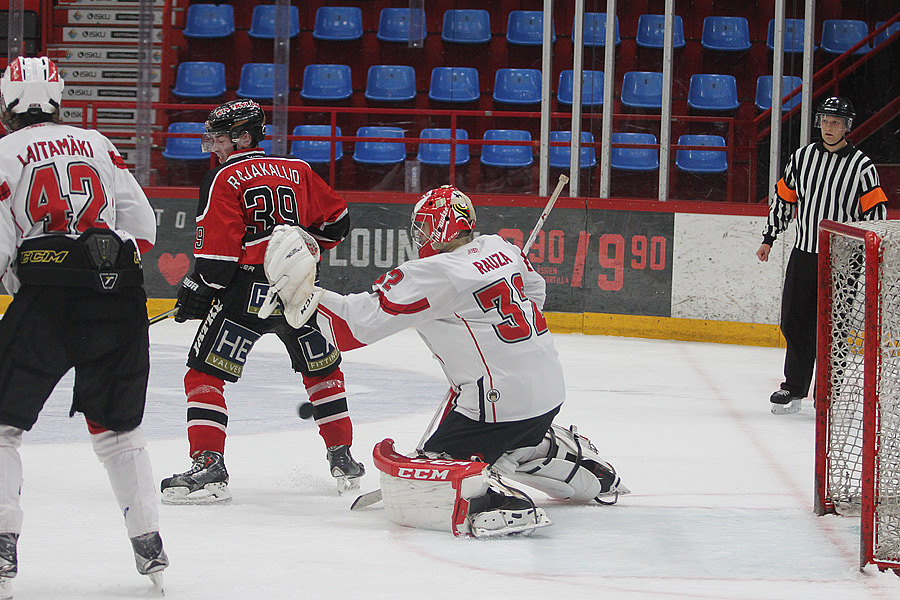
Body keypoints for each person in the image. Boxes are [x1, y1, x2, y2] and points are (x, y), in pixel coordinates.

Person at [261, 186, 629, 537]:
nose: (420, 237)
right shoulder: (501, 247)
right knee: (516, 443)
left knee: (431, 466)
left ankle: (490, 499)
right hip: (549, 393)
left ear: (441, 226)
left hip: (498, 405)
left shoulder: (433, 273)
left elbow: (354, 327)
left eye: (423, 227)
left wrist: (305, 295)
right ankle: (582, 467)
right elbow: (536, 292)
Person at [0, 56, 168, 596]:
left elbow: (2, 249)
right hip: (117, 293)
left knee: (2, 427)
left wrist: (35, 288)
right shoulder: (96, 143)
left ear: (7, 104)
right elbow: (141, 227)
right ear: (57, 99)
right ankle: (149, 542)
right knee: (120, 432)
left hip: (45, 294)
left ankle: (3, 540)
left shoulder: (4, 153)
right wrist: (102, 278)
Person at [160, 99, 364, 504]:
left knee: (203, 376)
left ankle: (209, 466)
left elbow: (217, 261)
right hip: (300, 288)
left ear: (243, 137)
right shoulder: (299, 170)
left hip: (245, 291)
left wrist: (196, 290)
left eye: (218, 139)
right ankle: (342, 457)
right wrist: (303, 251)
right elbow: (338, 221)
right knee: (322, 371)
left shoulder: (224, 178)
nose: (213, 147)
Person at [757, 97, 888, 415]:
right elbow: (784, 201)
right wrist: (769, 238)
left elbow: (876, 213)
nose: (829, 128)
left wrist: (870, 251)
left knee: (835, 325)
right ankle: (794, 386)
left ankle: (829, 390)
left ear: (847, 127)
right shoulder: (802, 158)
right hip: (803, 253)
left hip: (843, 260)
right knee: (794, 320)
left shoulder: (862, 166)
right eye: (825, 121)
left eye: (836, 123)